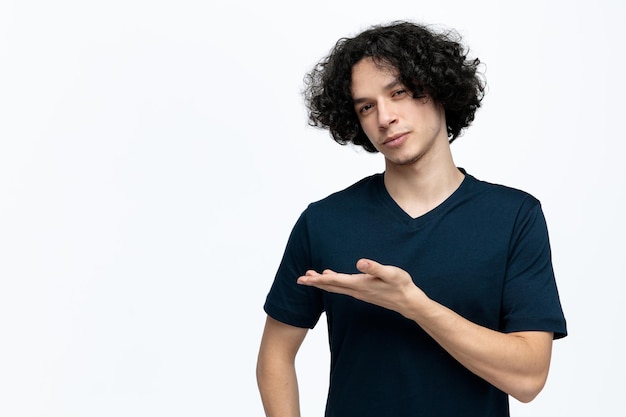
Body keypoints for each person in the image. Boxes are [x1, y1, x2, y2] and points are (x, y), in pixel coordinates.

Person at [256, 20, 567, 417]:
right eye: (366, 106)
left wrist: (414, 305)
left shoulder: (513, 217)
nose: (384, 117)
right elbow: (275, 356)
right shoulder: (325, 222)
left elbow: (528, 379)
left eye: (398, 93)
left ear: (437, 87)